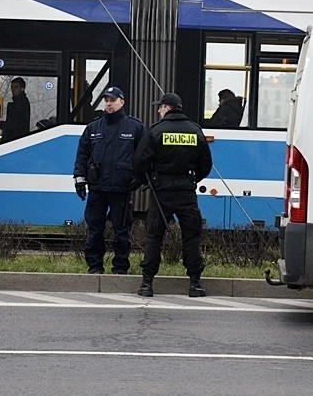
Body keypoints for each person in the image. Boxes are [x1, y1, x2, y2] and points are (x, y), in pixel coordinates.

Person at [134, 92, 213, 297]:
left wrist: (150, 181)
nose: (159, 111)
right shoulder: (195, 131)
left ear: (167, 108)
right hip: (186, 192)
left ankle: (147, 284)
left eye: (160, 107)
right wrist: (192, 180)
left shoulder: (156, 131)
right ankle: (195, 284)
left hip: (161, 192)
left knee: (154, 237)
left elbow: (139, 163)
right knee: (191, 236)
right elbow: (206, 164)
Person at [73, 86, 145, 275]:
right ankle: (94, 267)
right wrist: (79, 178)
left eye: (112, 100)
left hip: (121, 188)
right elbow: (82, 154)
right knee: (94, 229)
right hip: (97, 187)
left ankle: (120, 268)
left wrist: (139, 177)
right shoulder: (93, 127)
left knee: (121, 231)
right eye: (106, 100)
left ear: (122, 102)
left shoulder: (135, 127)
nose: (108, 104)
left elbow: (144, 156)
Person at [0, 77, 31, 142]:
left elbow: (16, 124)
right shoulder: (20, 102)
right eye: (12, 87)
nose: (13, 89)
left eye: (16, 87)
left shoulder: (21, 103)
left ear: (22, 89)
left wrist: (0, 124)